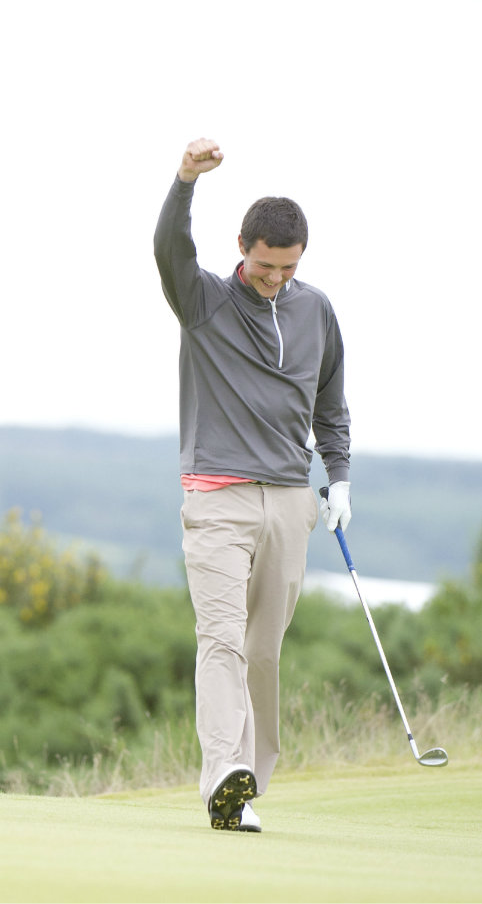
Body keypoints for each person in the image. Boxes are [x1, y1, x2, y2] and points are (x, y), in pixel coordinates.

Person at [154, 138, 352, 832]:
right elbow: (169, 249)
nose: (274, 279)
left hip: (291, 499)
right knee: (222, 638)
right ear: (243, 247)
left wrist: (340, 477)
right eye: (265, 265)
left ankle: (249, 778)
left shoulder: (316, 309)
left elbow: (331, 404)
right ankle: (223, 774)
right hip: (217, 498)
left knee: (263, 648)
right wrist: (184, 181)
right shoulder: (205, 300)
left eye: (287, 267)